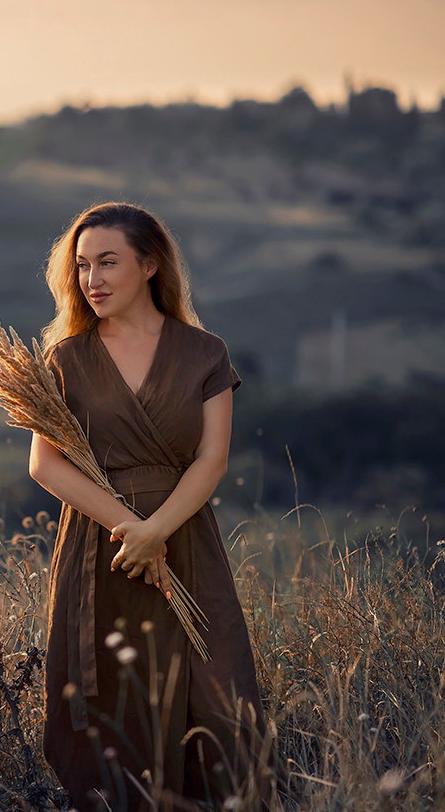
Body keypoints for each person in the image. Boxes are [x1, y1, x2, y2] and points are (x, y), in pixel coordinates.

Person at [28, 202, 268, 810]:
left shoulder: (205, 353)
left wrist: (158, 529)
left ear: (151, 264)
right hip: (102, 549)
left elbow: (211, 460)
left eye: (108, 262)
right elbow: (45, 464)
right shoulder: (67, 358)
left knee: (215, 691)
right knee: (106, 695)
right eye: (82, 266)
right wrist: (131, 529)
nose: (93, 280)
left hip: (185, 540)